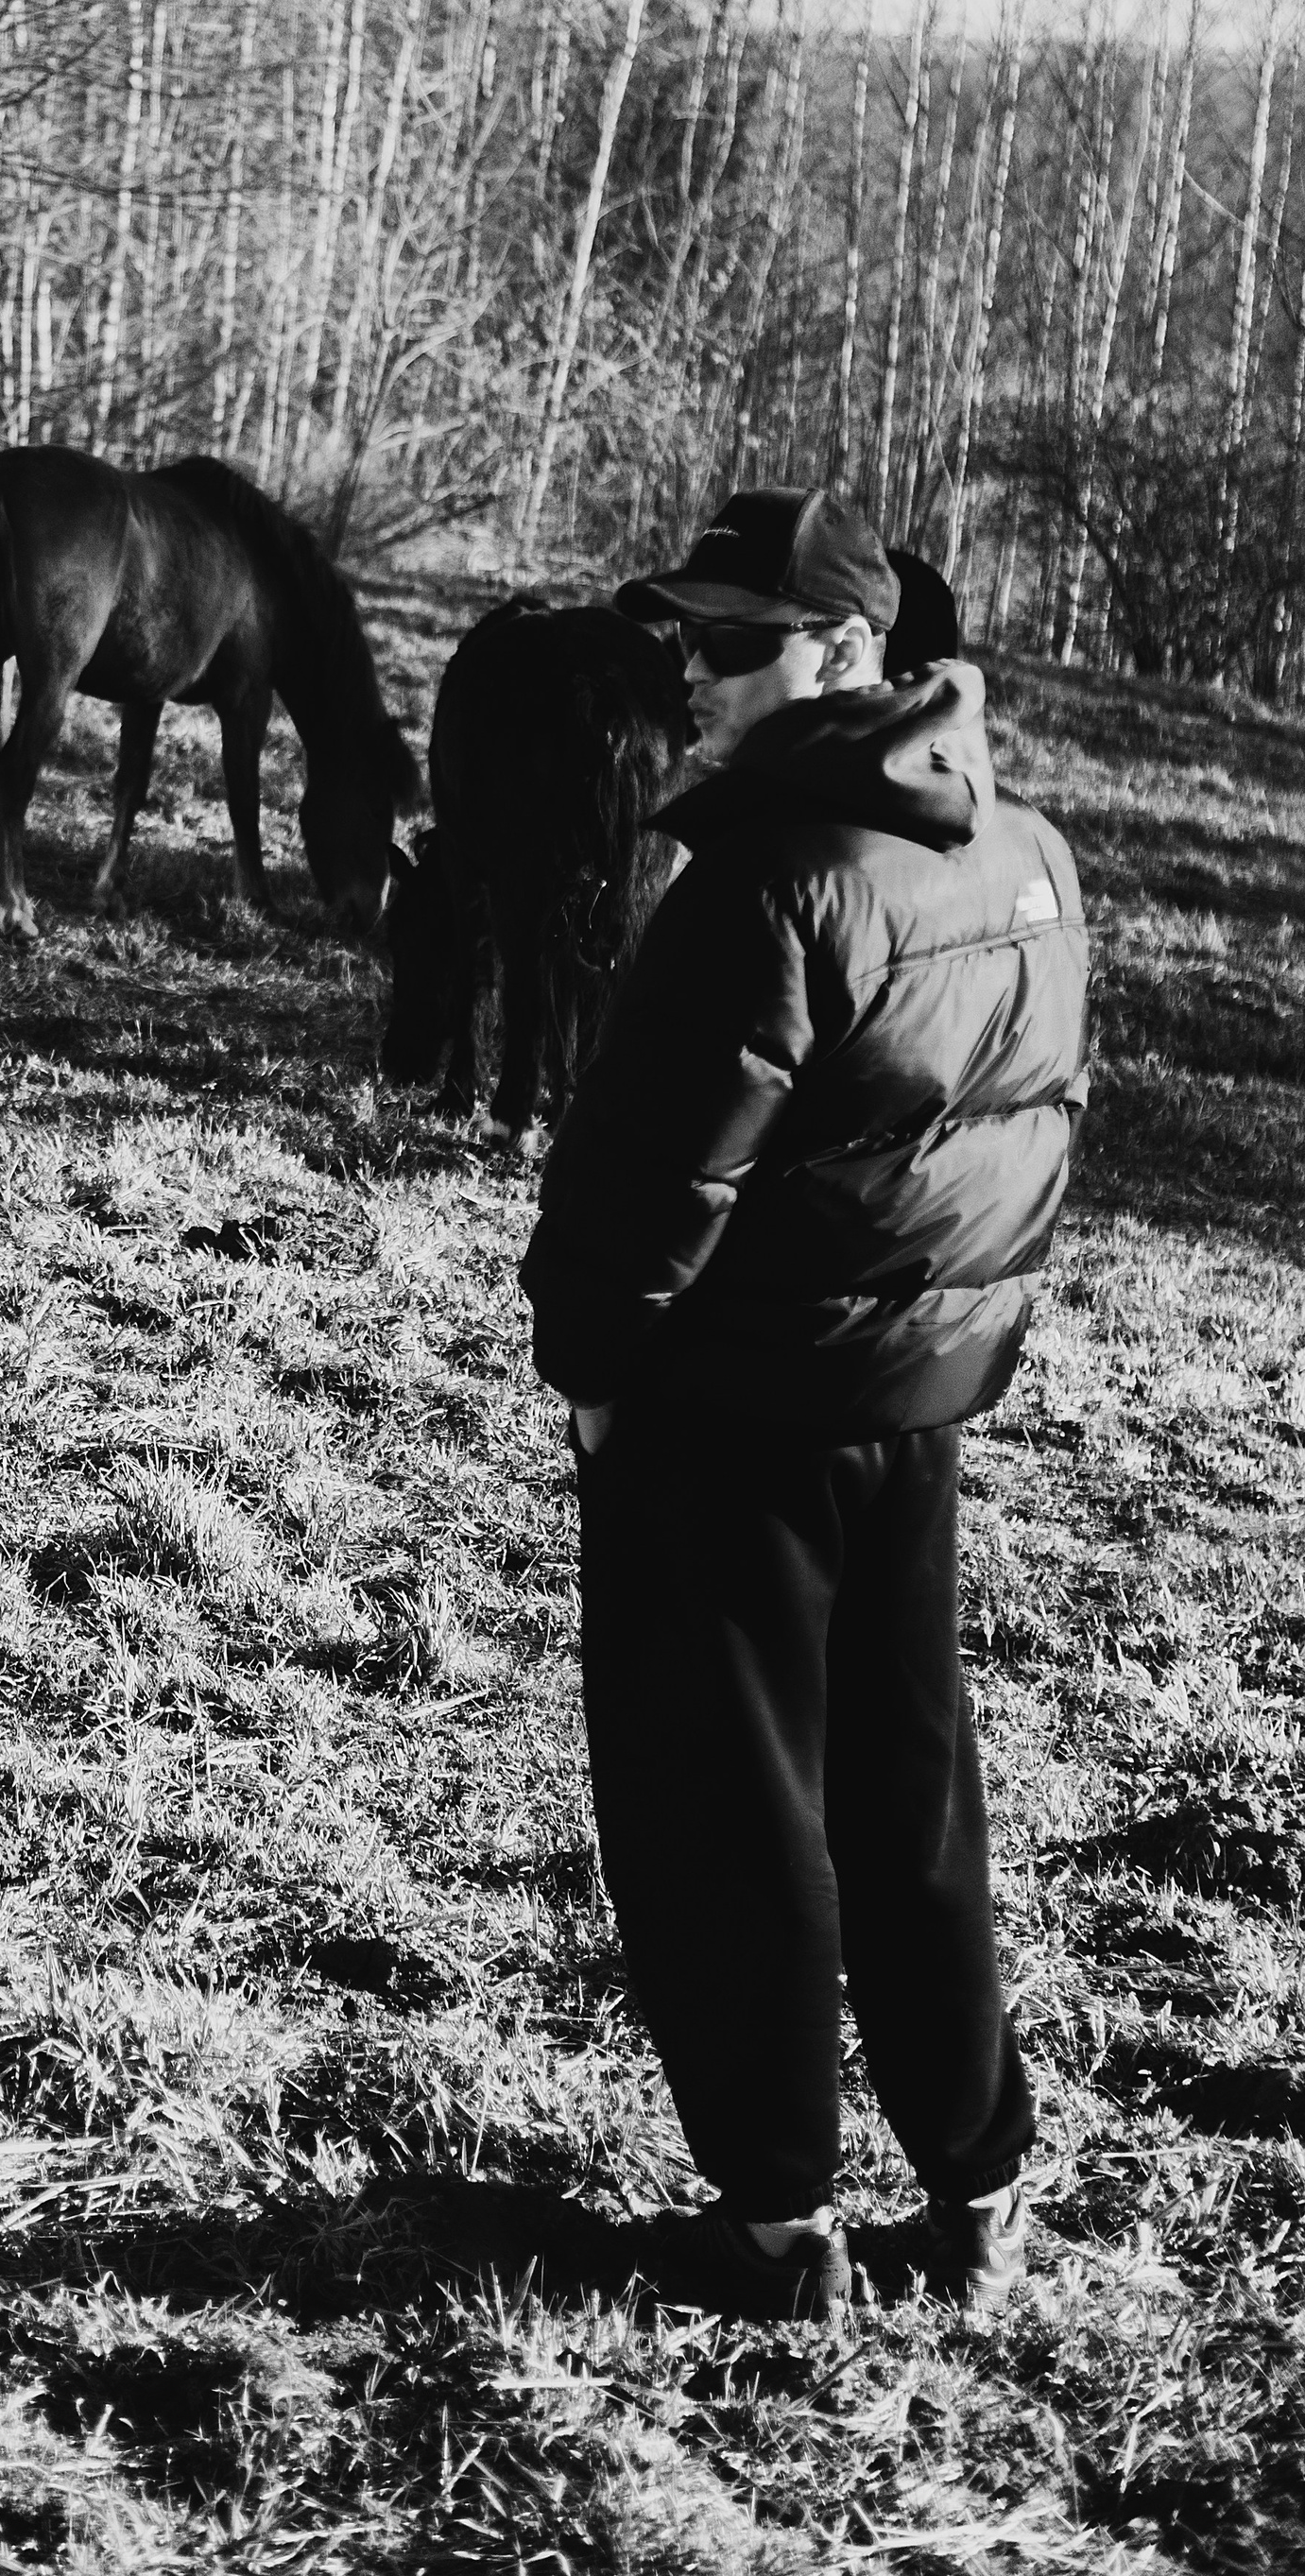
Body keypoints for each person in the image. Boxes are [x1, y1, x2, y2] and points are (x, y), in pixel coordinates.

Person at [520, 484, 1088, 2322]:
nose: (686, 669)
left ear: (844, 649)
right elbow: (1033, 1132)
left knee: (724, 1811)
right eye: (681, 634)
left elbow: (644, 1181)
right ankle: (979, 2180)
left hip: (734, 1418)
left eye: (731, 641)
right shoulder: (1025, 853)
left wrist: (594, 1374)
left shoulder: (765, 880)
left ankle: (773, 2224)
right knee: (908, 1793)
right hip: (910, 1409)